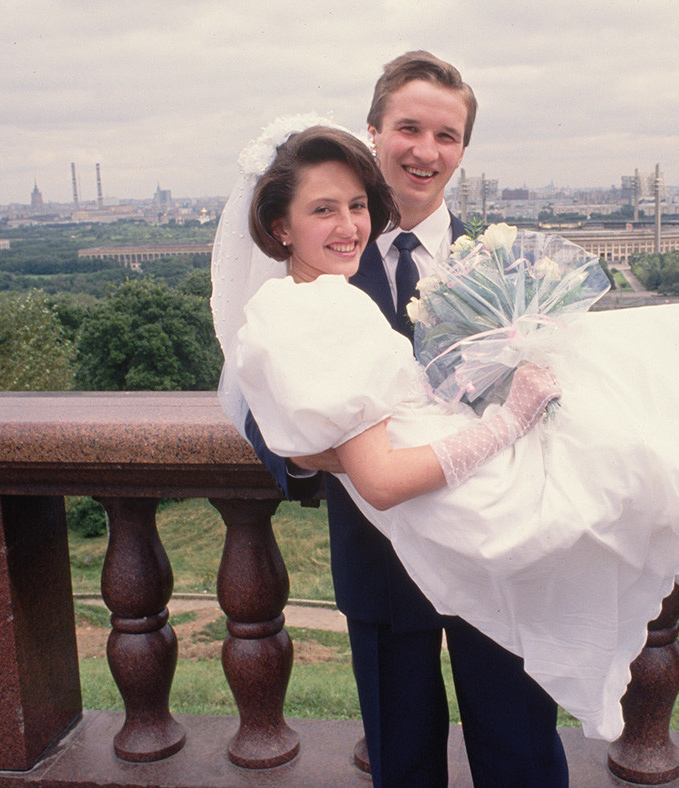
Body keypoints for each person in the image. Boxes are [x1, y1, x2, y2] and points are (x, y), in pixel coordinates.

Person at [212, 121, 679, 755]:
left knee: (607, 419)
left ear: (463, 149)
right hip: (434, 510)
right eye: (323, 209)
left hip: (440, 497)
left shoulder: (284, 306)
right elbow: (372, 476)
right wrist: (512, 419)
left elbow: (307, 434)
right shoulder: (330, 307)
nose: (349, 224)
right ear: (280, 226)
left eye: (358, 205)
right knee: (620, 390)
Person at [217, 52, 571, 787]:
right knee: (401, 760)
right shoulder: (313, 265)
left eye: (446, 135)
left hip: (495, 547)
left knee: (522, 751)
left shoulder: (502, 264)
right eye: (408, 127)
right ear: (374, 131)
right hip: (379, 557)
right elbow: (255, 391)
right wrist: (324, 456)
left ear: (463, 151)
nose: (425, 150)